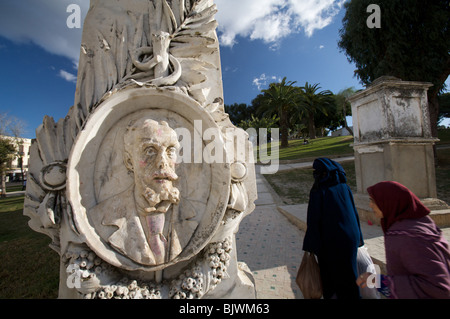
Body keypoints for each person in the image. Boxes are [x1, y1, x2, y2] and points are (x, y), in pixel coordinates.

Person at [357, 181, 450, 299]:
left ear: (390, 202)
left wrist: (381, 282)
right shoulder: (417, 225)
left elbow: (436, 288)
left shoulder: (408, 237)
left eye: (373, 200)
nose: (370, 205)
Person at [303, 158, 364, 299]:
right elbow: (353, 214)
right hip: (350, 239)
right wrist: (359, 238)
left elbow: (313, 220)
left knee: (329, 278)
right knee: (350, 275)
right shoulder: (344, 188)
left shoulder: (319, 191)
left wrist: (310, 246)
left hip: (330, 241)